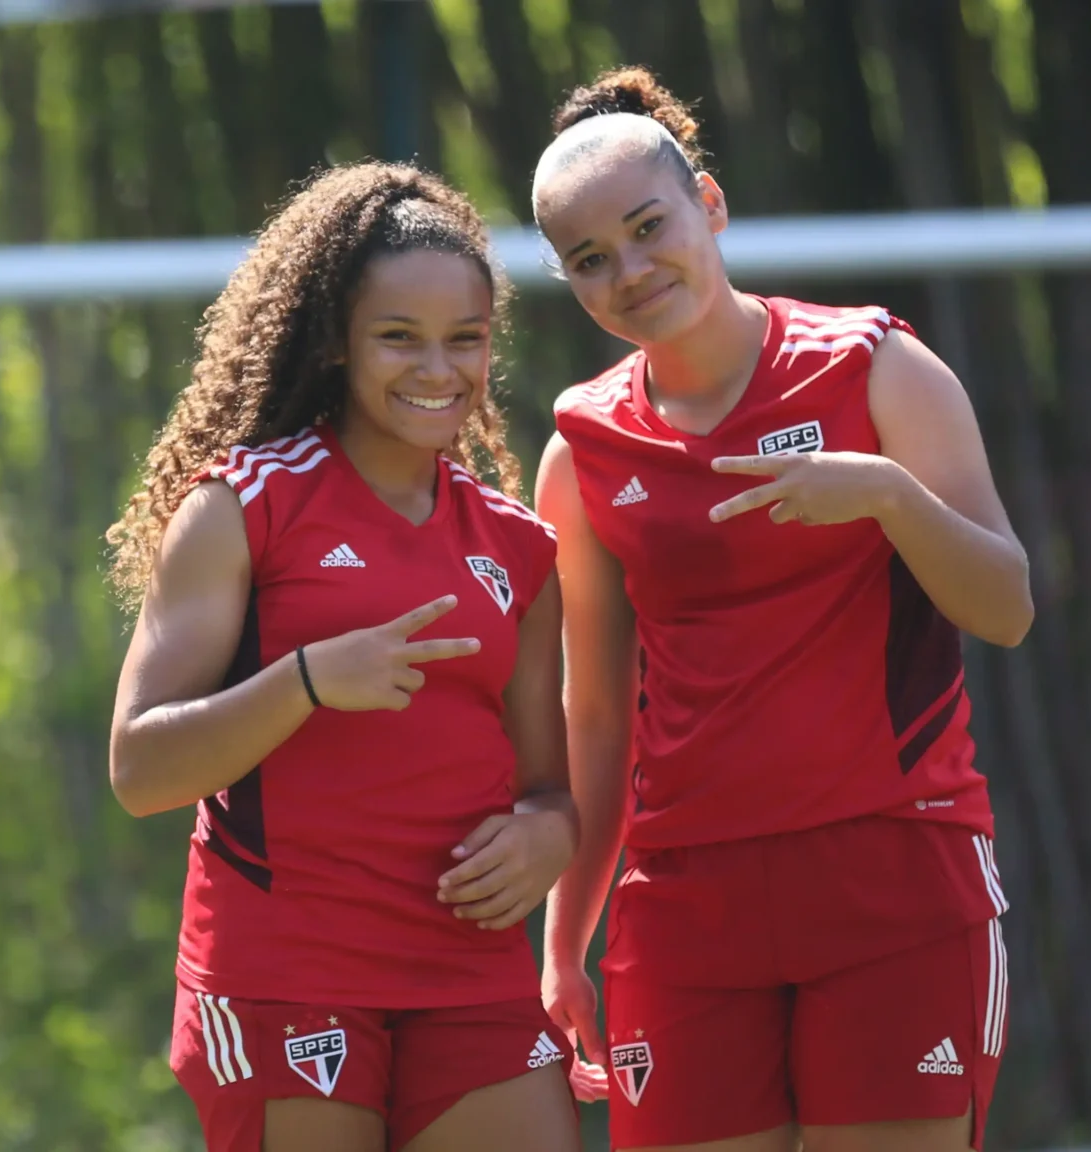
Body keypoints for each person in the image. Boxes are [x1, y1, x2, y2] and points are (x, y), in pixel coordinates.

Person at [529, 68, 1034, 1152]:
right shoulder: (580, 452)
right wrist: (564, 932)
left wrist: (886, 496)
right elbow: (595, 719)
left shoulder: (877, 367)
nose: (627, 270)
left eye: (646, 226)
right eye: (587, 260)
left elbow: (1006, 607)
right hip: (684, 908)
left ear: (707, 205)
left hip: (895, 880)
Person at [105, 162, 583, 1152]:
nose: (435, 369)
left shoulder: (517, 545)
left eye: (464, 340)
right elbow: (140, 768)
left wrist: (549, 835)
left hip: (467, 972)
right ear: (335, 343)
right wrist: (308, 681)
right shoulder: (241, 504)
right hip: (286, 974)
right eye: (397, 338)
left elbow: (548, 788)